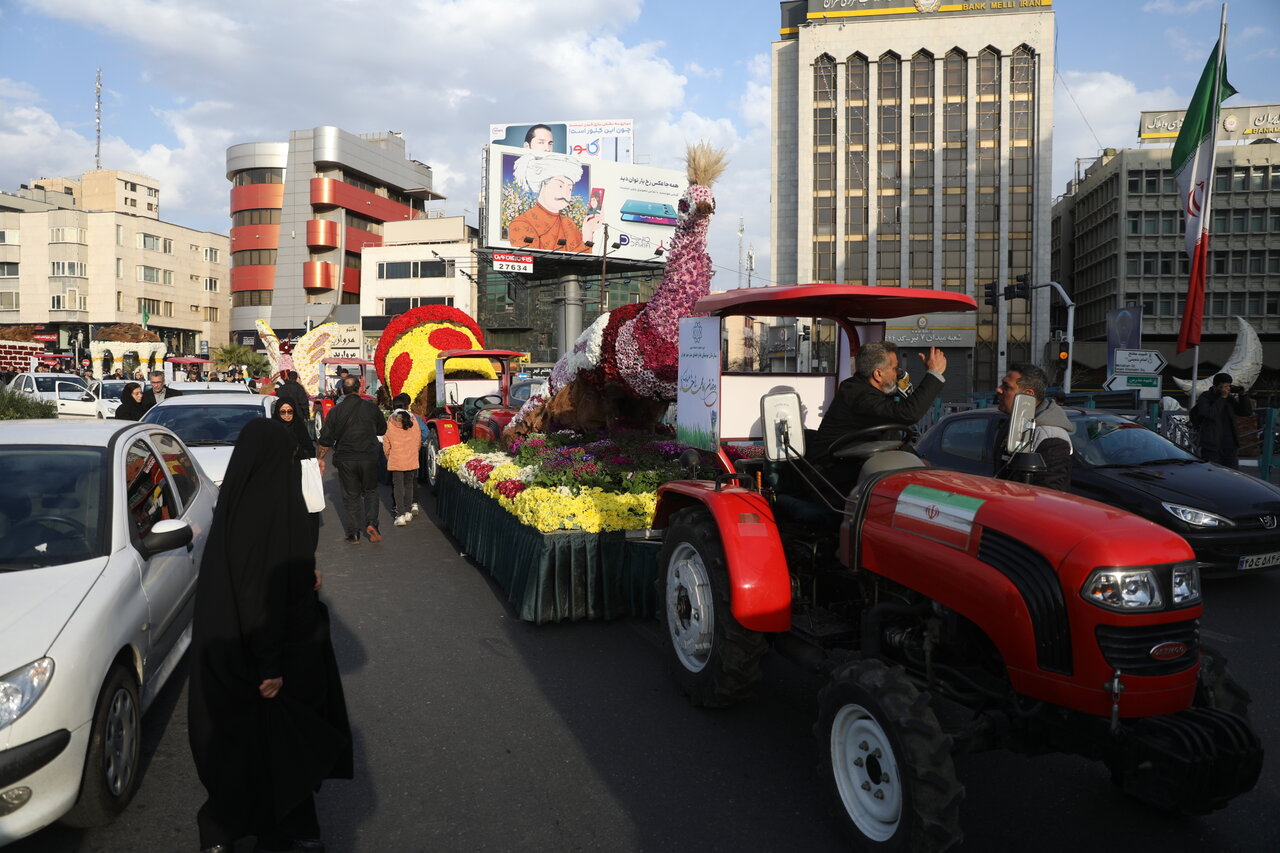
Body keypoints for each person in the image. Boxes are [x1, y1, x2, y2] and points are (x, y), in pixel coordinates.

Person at [187, 419, 350, 853]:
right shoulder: (279, 513)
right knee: (278, 744)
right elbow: (263, 595)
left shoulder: (235, 507)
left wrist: (303, 575)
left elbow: (242, 580)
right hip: (267, 654)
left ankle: (222, 830)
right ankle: (281, 829)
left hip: (223, 650)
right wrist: (271, 668)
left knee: (234, 744)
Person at [809, 341, 949, 498]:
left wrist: (916, 460)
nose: (898, 374)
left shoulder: (872, 394)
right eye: (895, 369)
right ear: (878, 374)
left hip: (854, 466)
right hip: (832, 477)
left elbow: (889, 437)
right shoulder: (857, 394)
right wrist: (934, 374)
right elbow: (908, 414)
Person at [317, 376, 387, 544]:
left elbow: (325, 439)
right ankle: (372, 525)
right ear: (360, 388)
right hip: (369, 457)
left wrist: (320, 458)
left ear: (342, 390)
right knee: (370, 491)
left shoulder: (336, 411)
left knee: (351, 495)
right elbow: (382, 429)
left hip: (346, 458)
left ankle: (354, 533)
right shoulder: (371, 408)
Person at [992, 363, 1074, 491]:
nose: (999, 389)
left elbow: (1051, 494)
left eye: (1006, 386)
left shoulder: (1052, 438)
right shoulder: (1012, 423)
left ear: (1028, 394)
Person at [506, 152, 599, 252]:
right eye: (560, 186)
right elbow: (532, 260)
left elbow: (581, 260)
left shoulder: (569, 224)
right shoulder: (521, 223)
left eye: (570, 189)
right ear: (543, 185)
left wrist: (588, 232)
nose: (565, 193)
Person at [1190, 372, 1253, 468]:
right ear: (1215, 387)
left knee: (1233, 476)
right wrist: (1222, 398)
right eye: (1224, 387)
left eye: (1229, 386)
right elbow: (1210, 414)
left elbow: (1245, 412)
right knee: (1213, 476)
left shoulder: (1229, 398)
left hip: (1230, 445)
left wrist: (1243, 395)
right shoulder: (1205, 397)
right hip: (1212, 446)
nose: (1227, 389)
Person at [383, 409, 422, 526]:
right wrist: (414, 453)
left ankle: (400, 515)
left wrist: (390, 456)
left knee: (398, 487)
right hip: (411, 459)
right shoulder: (414, 424)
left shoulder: (389, 425)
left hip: (396, 460)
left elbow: (386, 445)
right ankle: (408, 512)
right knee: (409, 485)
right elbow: (418, 442)